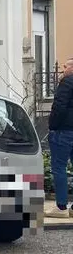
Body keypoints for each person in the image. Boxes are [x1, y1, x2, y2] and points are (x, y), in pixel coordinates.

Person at [47, 58, 73, 218]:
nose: (63, 69)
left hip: (63, 130)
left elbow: (59, 106)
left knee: (59, 167)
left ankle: (61, 207)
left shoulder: (67, 82)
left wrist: (53, 126)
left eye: (66, 65)